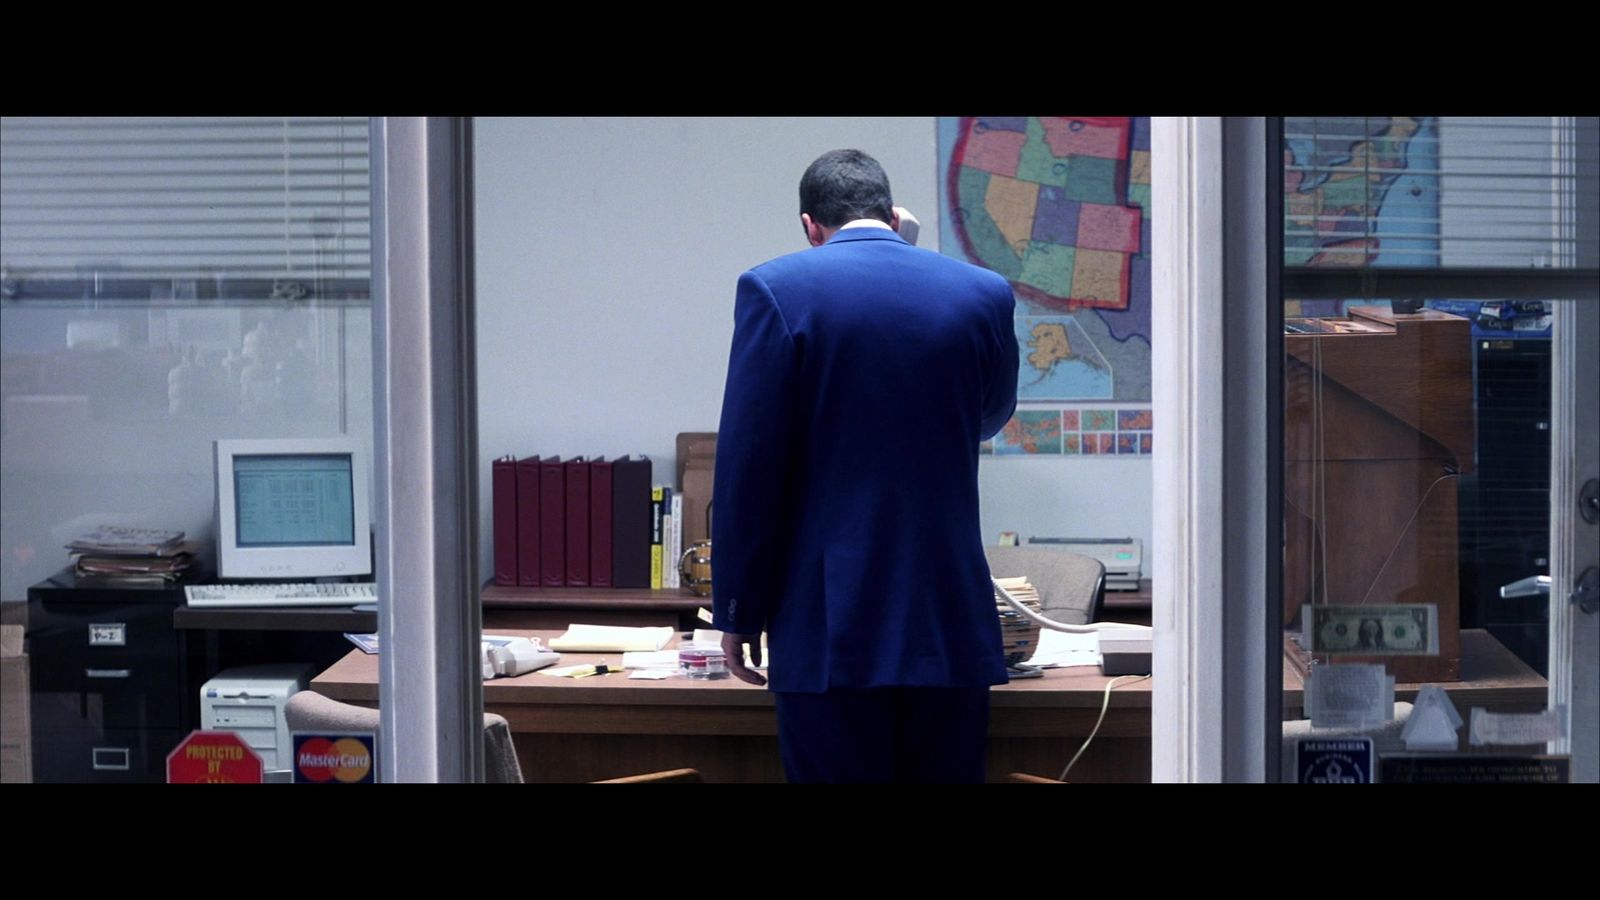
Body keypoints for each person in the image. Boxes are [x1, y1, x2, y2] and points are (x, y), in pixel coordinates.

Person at [711, 149, 1019, 783]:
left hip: (829, 626)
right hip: (948, 619)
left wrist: (738, 609)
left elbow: (749, 465)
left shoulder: (775, 289)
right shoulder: (985, 294)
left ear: (809, 225)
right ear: (891, 211)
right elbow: (985, 418)